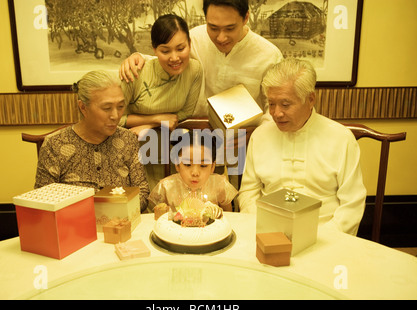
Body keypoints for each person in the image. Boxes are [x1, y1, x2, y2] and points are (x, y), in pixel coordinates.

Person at [238, 58, 367, 235]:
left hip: (325, 234)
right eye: (271, 104)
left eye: (285, 104)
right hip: (267, 232)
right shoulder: (260, 135)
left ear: (310, 99)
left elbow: (352, 202)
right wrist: (260, 227)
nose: (276, 113)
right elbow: (248, 191)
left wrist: (326, 238)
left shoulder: (341, 138)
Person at [120, 0, 283, 117]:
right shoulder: (195, 37)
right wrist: (138, 58)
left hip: (240, 143)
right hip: (192, 139)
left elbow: (273, 112)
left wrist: (252, 134)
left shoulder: (269, 56)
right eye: (213, 28)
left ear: (246, 18)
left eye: (230, 28)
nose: (221, 37)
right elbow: (172, 58)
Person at [35, 70, 150, 212]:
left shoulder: (128, 139)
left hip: (121, 225)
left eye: (120, 107)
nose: (115, 116)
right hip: (73, 227)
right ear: (83, 107)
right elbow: (43, 201)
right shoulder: (55, 144)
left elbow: (142, 192)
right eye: (106, 108)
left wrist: (117, 215)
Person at [119, 14, 203, 136]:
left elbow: (186, 113)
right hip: (130, 136)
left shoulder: (194, 70)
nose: (174, 58)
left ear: (189, 44)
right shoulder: (135, 71)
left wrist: (151, 125)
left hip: (168, 134)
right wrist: (156, 119)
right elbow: (114, 119)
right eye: (165, 51)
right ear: (154, 49)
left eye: (180, 49)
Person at [149, 130, 238, 212]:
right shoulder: (165, 187)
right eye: (187, 164)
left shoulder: (219, 185)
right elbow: (156, 218)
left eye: (203, 165)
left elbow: (228, 217)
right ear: (177, 164)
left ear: (212, 167)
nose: (195, 173)